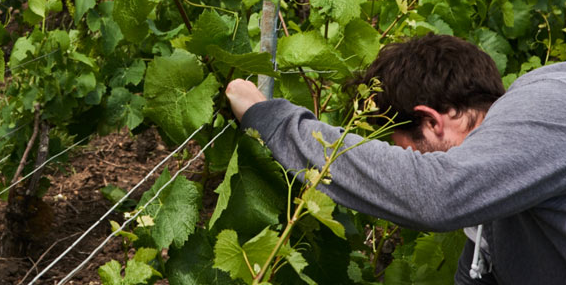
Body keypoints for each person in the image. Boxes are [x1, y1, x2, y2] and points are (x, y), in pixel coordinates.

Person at [226, 34, 566, 284]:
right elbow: (481, 272)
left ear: (432, 122)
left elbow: (435, 193)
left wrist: (272, 121)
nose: (412, 165)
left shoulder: (546, 103)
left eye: (411, 155)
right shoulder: (503, 182)